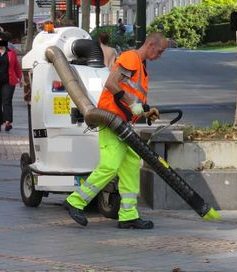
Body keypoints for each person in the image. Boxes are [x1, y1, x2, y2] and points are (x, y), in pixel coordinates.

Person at [64, 32, 168, 229]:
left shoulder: (141, 68)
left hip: (123, 124)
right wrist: (135, 106)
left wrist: (145, 112)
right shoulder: (131, 58)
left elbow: (132, 99)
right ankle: (74, 202)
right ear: (151, 45)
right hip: (111, 121)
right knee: (110, 166)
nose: (160, 55)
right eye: (160, 51)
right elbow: (111, 83)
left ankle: (128, 214)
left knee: (131, 163)